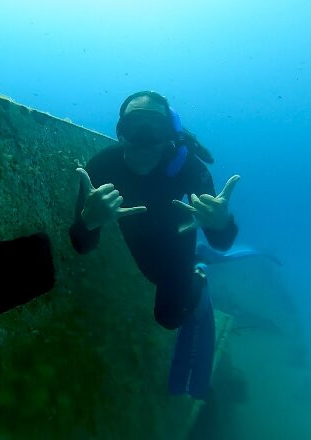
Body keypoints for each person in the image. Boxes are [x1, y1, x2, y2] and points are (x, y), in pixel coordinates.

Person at [68, 90, 241, 399]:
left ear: (169, 135)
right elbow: (82, 245)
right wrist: (89, 222)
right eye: (135, 126)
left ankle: (198, 278)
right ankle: (196, 271)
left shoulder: (190, 169)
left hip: (177, 248)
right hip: (142, 247)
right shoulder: (100, 167)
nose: (144, 139)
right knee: (153, 279)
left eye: (155, 128)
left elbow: (222, 242)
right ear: (121, 130)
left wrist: (221, 223)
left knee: (169, 318)